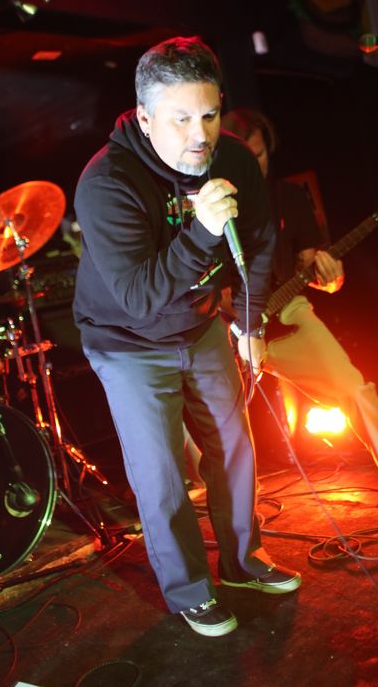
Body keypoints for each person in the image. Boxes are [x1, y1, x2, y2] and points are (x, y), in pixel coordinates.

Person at [73, 37, 302, 637]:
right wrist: (201, 232)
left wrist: (250, 323)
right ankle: (189, 590)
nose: (199, 135)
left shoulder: (232, 159)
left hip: (199, 324)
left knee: (234, 446)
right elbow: (139, 295)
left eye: (209, 114)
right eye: (180, 119)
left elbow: (259, 243)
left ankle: (243, 563)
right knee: (163, 472)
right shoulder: (107, 182)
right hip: (127, 339)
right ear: (145, 118)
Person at [221, 108, 378, 514]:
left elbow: (316, 271)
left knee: (354, 387)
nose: (256, 165)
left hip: (286, 313)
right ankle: (227, 500)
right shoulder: (209, 206)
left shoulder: (287, 198)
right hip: (229, 324)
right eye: (246, 157)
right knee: (217, 415)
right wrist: (235, 324)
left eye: (260, 155)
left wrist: (331, 275)